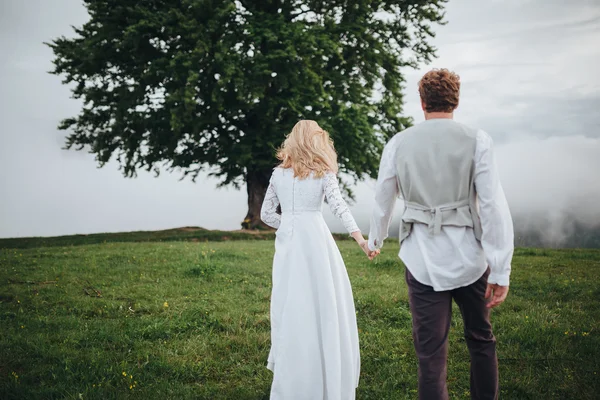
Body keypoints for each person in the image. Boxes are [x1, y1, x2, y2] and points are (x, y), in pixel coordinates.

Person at [368, 69, 514, 400]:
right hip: (471, 258)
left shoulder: (398, 143)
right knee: (481, 338)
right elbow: (492, 207)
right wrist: (500, 268)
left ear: (422, 102)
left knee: (430, 353)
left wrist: (375, 240)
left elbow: (382, 200)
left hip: (421, 259)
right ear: (456, 101)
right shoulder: (478, 140)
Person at [260, 120, 378, 399]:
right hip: (316, 241)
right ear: (316, 142)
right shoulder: (323, 173)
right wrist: (361, 239)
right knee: (323, 301)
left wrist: (288, 223)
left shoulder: (278, 174)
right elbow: (339, 207)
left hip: (290, 245)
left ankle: (294, 372)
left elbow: (266, 214)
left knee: (291, 301)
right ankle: (326, 371)